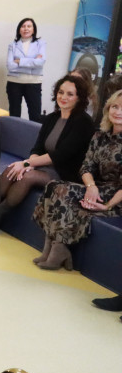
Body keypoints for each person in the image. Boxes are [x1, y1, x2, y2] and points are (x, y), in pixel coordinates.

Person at [32, 90, 122, 271]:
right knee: (53, 186)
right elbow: (86, 166)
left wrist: (108, 206)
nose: (118, 112)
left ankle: (58, 250)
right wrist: (91, 186)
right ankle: (52, 247)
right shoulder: (100, 136)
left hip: (116, 197)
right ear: (108, 109)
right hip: (96, 189)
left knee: (64, 192)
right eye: (115, 106)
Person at [0, 74, 95, 212]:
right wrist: (29, 164)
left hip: (65, 173)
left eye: (70, 94)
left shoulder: (83, 122)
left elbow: (60, 155)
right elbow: (37, 148)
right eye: (61, 92)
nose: (63, 97)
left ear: (79, 98)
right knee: (12, 170)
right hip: (43, 166)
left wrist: (27, 164)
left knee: (27, 177)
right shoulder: (52, 118)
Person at [5, 18, 47, 121]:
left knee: (35, 115)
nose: (26, 29)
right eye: (23, 26)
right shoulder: (13, 45)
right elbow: (10, 65)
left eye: (29, 26)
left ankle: (34, 137)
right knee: (14, 114)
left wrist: (19, 61)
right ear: (19, 29)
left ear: (33, 29)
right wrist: (32, 62)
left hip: (33, 83)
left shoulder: (40, 43)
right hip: (14, 82)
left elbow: (40, 62)